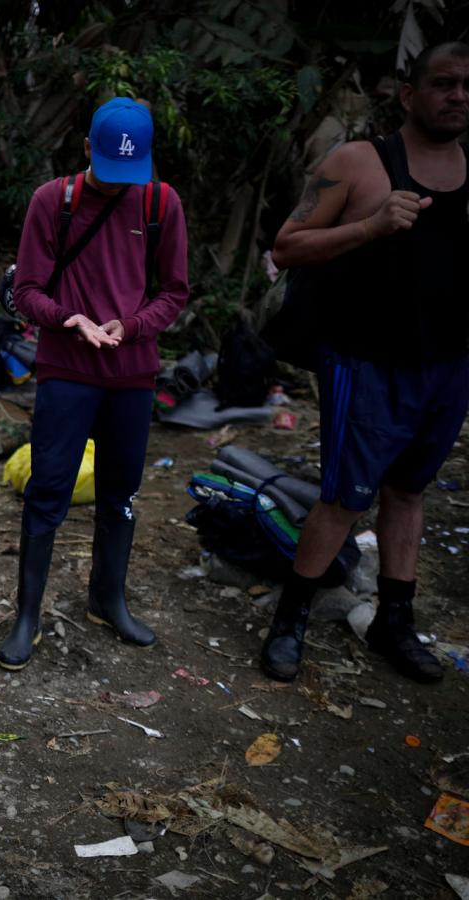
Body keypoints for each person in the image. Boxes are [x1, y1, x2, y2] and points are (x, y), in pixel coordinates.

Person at [260, 42, 469, 685]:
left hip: (448, 363)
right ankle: (290, 619)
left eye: (467, 86)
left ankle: (394, 622)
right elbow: (288, 246)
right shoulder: (359, 162)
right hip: (366, 361)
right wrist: (371, 227)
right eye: (443, 83)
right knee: (345, 498)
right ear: (410, 94)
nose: (457, 96)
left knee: (409, 492)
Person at [0, 98, 189, 670]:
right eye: (109, 168)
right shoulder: (53, 201)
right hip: (66, 371)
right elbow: (27, 289)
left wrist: (130, 326)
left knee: (120, 491)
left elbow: (174, 292)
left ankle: (108, 597)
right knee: (48, 489)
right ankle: (26, 614)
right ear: (87, 149)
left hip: (132, 375)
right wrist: (69, 319)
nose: (118, 184)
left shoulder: (161, 201)